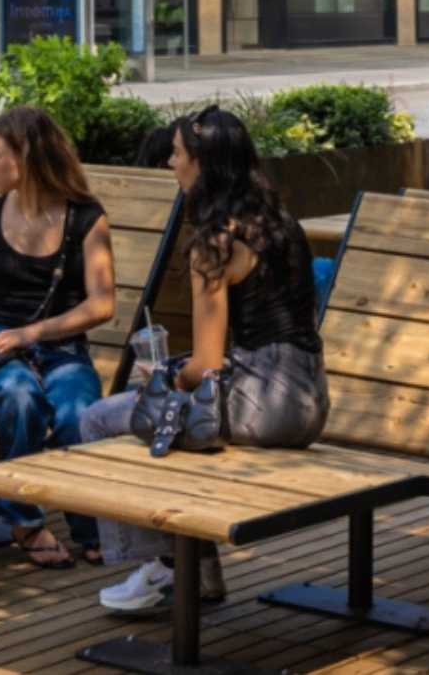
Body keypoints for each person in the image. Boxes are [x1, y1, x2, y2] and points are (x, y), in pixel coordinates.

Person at [77, 107, 330, 613]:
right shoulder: (281, 223)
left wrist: (167, 375)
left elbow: (208, 366)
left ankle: (168, 569)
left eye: (176, 153)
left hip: (265, 403)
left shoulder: (213, 245)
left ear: (203, 164)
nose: (170, 163)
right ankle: (198, 572)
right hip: (310, 398)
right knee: (173, 418)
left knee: (103, 419)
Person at [0, 106, 116, 569]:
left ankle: (89, 526)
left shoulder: (85, 218)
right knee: (19, 397)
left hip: (61, 347)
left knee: (80, 412)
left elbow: (102, 304)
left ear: (28, 158)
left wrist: (31, 333)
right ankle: (21, 519)